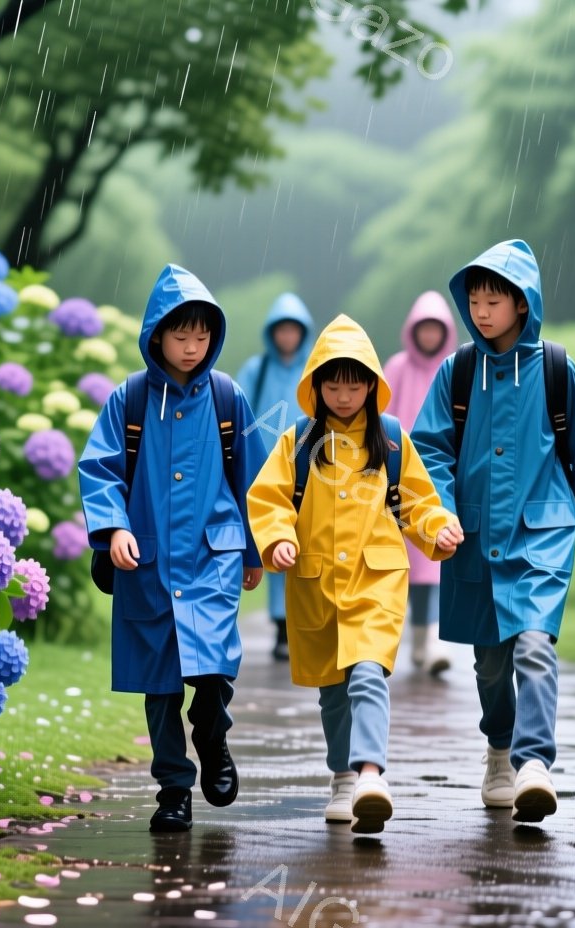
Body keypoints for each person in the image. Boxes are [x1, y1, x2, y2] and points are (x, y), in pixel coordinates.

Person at [410, 240, 575, 824]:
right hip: (474, 536)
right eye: (474, 300)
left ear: (521, 305)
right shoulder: (457, 373)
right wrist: (441, 512)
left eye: (494, 300)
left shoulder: (555, 368)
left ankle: (534, 764)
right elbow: (428, 450)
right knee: (490, 665)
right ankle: (500, 750)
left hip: (542, 533)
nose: (481, 311)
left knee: (534, 644)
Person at [246, 315, 463, 834]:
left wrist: (439, 529)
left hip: (376, 582)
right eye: (333, 383)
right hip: (316, 588)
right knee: (333, 691)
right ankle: (343, 775)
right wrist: (277, 538)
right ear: (316, 386)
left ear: (371, 385)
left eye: (355, 383)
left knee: (368, 673)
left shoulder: (389, 440)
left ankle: (370, 775)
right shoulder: (297, 443)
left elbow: (417, 502)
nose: (344, 394)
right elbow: (269, 499)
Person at [78, 264, 264, 833]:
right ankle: (173, 789)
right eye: (180, 335)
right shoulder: (129, 400)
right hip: (146, 560)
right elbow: (101, 468)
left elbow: (254, 479)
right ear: (156, 334)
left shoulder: (228, 398)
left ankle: (213, 735)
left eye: (202, 336)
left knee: (212, 668)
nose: (191, 347)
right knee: (158, 685)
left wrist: (255, 549)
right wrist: (113, 529)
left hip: (213, 556)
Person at [381, 291, 459, 677]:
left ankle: (428, 643)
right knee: (402, 564)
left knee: (433, 563)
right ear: (414, 331)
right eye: (423, 329)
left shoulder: (453, 368)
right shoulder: (397, 367)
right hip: (398, 478)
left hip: (439, 475)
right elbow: (380, 412)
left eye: (436, 329)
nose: (429, 336)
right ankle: (408, 639)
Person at [236, 293, 315, 662]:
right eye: (281, 330)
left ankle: (301, 623)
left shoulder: (313, 368)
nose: (287, 337)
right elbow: (239, 412)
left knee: (305, 543)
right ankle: (282, 628)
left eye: (293, 330)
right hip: (266, 469)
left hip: (309, 468)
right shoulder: (257, 369)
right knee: (275, 542)